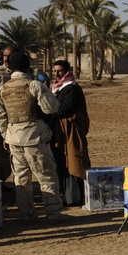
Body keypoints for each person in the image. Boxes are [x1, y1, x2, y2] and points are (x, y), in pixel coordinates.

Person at [0, 51, 64, 222]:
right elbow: (51, 108)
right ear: (28, 67)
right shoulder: (34, 85)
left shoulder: (2, 89)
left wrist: (6, 135)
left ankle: (26, 214)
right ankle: (53, 214)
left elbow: (0, 117)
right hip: (34, 138)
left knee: (21, 179)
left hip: (13, 139)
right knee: (46, 176)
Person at [50, 60, 91, 206]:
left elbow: (66, 109)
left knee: (74, 160)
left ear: (67, 71)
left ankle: (76, 197)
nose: (56, 74)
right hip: (62, 132)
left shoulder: (71, 88)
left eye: (60, 71)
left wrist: (50, 114)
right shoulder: (58, 88)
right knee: (62, 162)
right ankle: (68, 196)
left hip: (72, 132)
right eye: (55, 71)